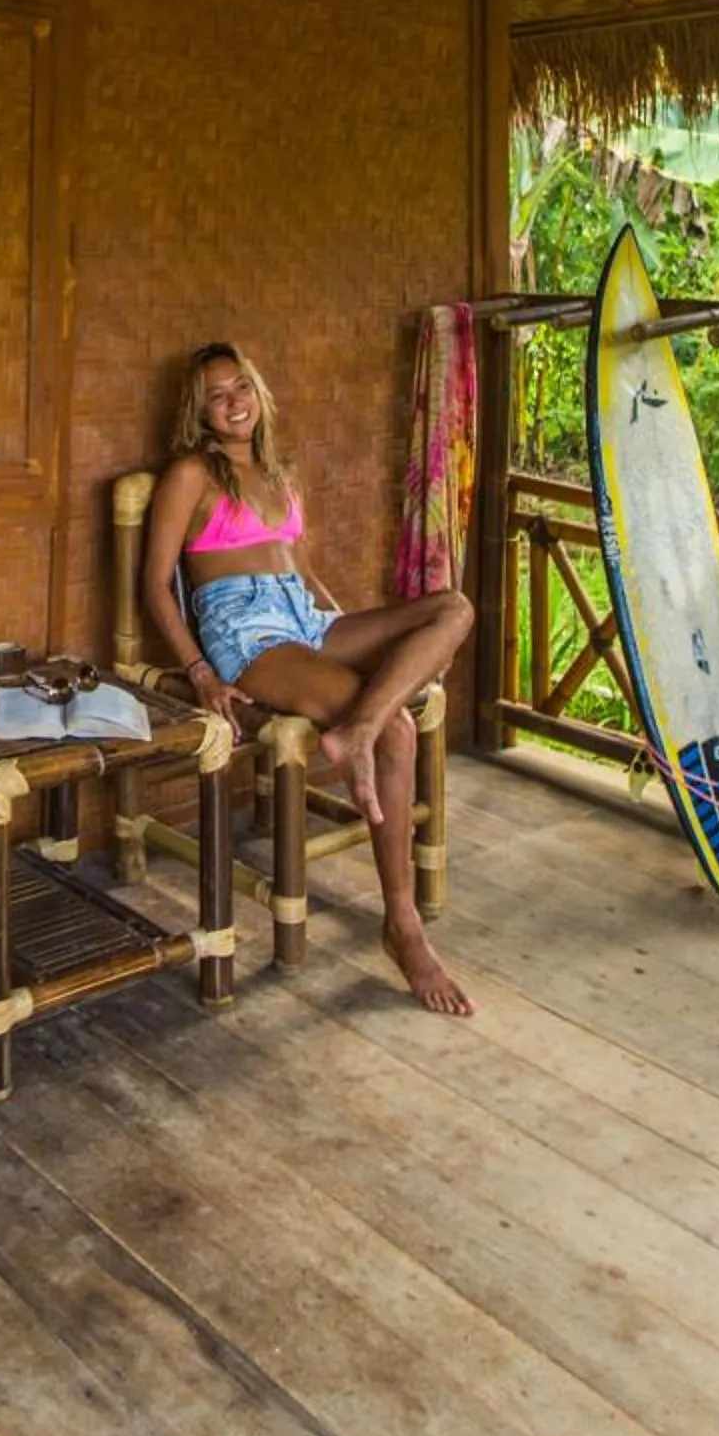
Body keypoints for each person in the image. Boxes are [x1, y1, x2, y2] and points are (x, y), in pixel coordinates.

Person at [140, 343, 475, 1016]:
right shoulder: (190, 474)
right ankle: (402, 925)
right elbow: (153, 586)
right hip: (245, 632)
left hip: (305, 618)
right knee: (401, 729)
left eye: (242, 387)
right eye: (217, 394)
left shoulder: (277, 472)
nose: (234, 401)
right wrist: (199, 669)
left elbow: (302, 569)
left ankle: (357, 727)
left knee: (454, 608)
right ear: (199, 411)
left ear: (259, 392)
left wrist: (344, 632)